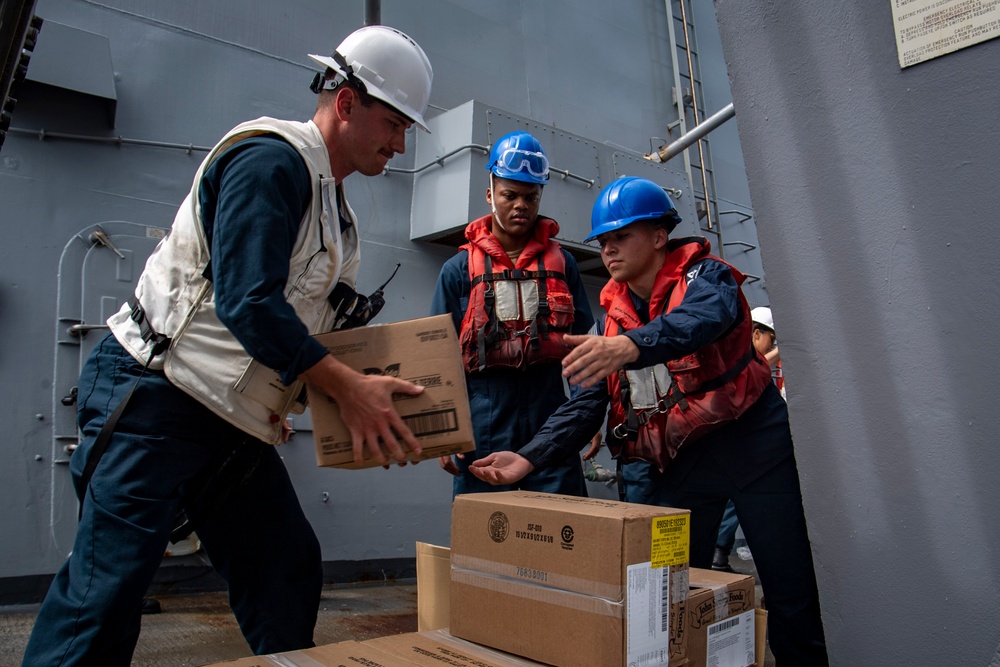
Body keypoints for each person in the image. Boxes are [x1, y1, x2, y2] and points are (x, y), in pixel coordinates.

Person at [21, 25, 433, 667]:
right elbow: (248, 301)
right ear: (347, 102)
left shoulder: (335, 210)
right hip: (157, 397)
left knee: (284, 565)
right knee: (105, 595)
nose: (401, 144)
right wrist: (349, 389)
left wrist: (377, 415)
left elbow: (306, 330)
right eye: (394, 122)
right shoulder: (272, 162)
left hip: (233, 421)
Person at [468, 176, 828, 665]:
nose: (609, 250)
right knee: (668, 600)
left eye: (622, 237)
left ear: (659, 236)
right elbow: (586, 404)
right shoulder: (613, 317)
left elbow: (704, 318)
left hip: (756, 452)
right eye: (603, 241)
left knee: (792, 594)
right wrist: (527, 459)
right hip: (683, 469)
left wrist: (630, 346)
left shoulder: (706, 277)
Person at [430, 131, 596, 497]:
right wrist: (445, 431)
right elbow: (439, 359)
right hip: (484, 426)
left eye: (530, 196)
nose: (520, 205)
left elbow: (584, 348)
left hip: (551, 419)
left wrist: (587, 417)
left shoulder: (564, 265)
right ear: (490, 194)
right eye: (510, 195)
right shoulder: (458, 270)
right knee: (486, 540)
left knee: (563, 534)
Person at [713, 306, 784, 571]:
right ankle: (719, 552)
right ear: (756, 334)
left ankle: (720, 552)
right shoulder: (743, 361)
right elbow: (759, 367)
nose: (772, 345)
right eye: (771, 339)